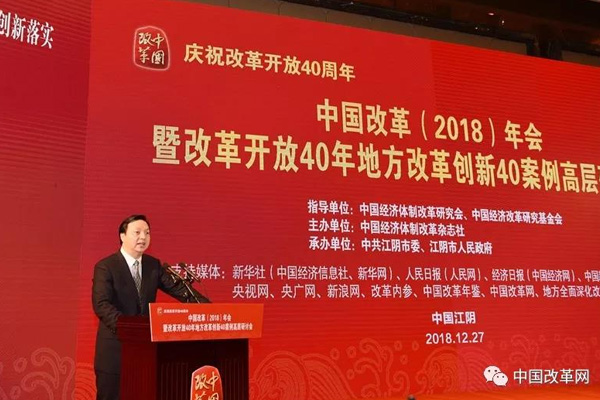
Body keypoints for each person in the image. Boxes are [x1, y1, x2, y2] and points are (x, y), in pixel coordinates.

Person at [92, 214, 209, 400]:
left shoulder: (153, 265)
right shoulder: (106, 267)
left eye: (147, 233)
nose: (143, 237)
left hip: (145, 352)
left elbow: (180, 290)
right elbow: (101, 304)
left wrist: (209, 310)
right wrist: (130, 329)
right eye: (137, 232)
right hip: (115, 351)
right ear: (122, 236)